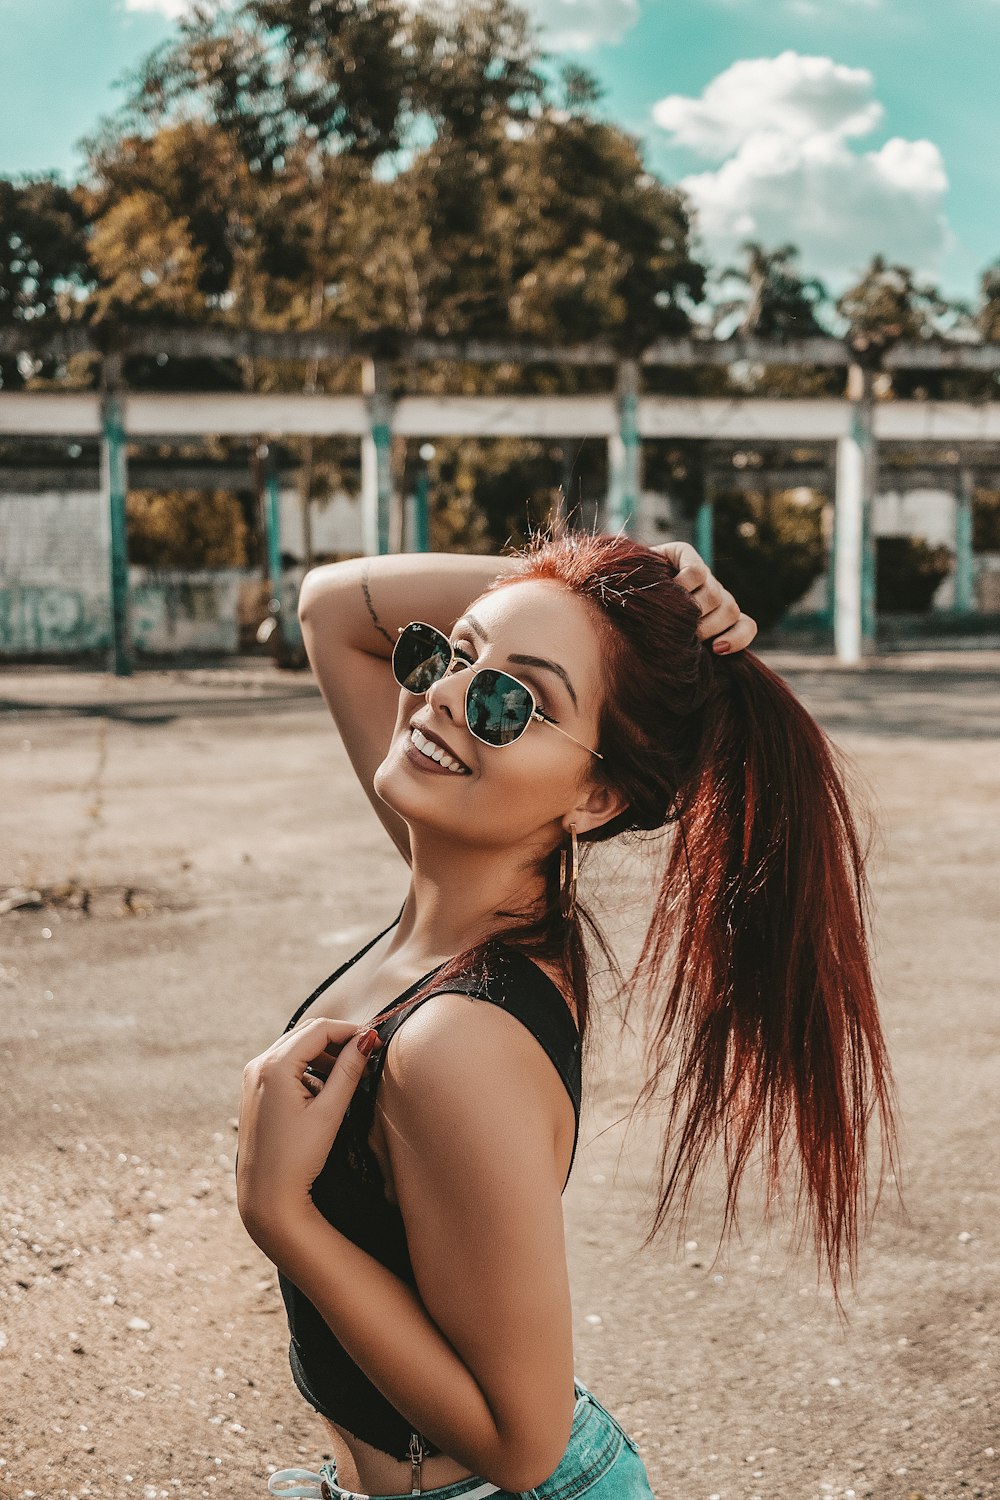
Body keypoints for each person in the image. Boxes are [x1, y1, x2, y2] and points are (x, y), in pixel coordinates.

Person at [236, 528, 900, 1500]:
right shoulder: (465, 887)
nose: (450, 695)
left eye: (516, 702)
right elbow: (334, 608)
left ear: (595, 795)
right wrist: (624, 594)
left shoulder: (459, 1041)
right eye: (453, 651)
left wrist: (279, 1214)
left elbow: (523, 1443)